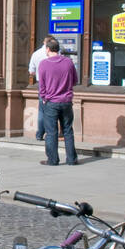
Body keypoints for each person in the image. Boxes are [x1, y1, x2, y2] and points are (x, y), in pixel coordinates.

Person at [37, 36, 78, 166]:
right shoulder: (68, 62)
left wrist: (44, 97)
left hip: (51, 102)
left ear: (48, 49)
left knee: (51, 132)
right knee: (67, 131)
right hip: (66, 101)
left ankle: (53, 160)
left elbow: (41, 85)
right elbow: (75, 81)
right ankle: (71, 159)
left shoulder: (44, 64)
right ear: (58, 49)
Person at [28, 35, 54, 141]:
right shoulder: (56, 54)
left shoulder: (36, 54)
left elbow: (31, 71)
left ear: (44, 42)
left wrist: (39, 74)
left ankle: (39, 134)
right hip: (53, 84)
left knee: (42, 110)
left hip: (41, 84)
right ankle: (51, 132)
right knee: (53, 109)